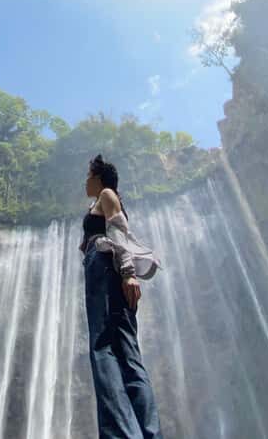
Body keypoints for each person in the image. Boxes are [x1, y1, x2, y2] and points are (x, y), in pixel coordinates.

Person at [81, 154, 164, 439]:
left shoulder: (106, 194)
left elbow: (119, 230)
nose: (85, 180)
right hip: (111, 269)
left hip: (105, 267)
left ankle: (121, 433)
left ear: (99, 176)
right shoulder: (103, 197)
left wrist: (128, 272)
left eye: (88, 174)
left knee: (103, 349)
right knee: (128, 354)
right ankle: (147, 432)